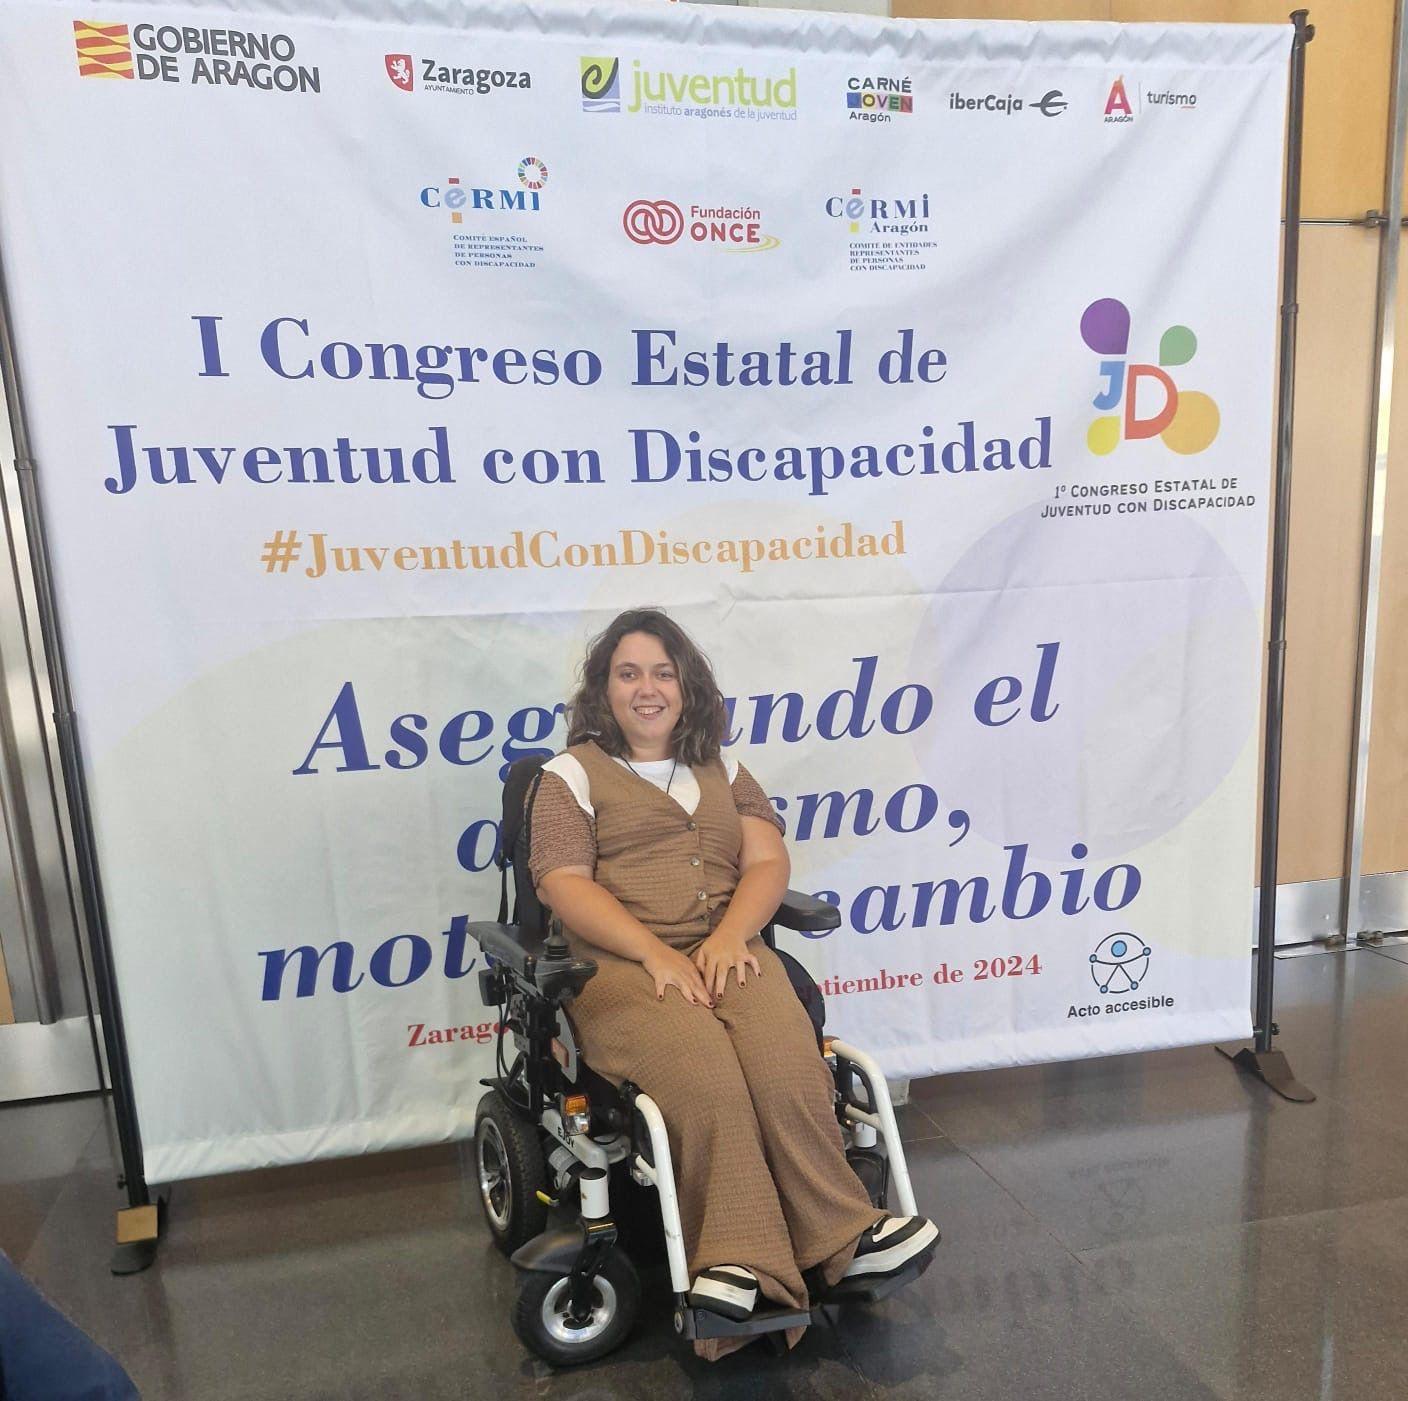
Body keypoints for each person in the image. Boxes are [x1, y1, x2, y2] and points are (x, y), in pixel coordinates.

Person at [528, 607, 937, 1356]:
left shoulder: (725, 765)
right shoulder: (569, 776)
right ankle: (740, 1264)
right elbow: (563, 883)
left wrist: (725, 936)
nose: (647, 688)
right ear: (603, 688)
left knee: (787, 1060)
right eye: (628, 673)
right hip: (621, 967)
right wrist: (656, 953)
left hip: (729, 948)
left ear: (686, 685)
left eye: (662, 671)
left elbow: (768, 862)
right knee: (706, 1072)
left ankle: (847, 1239)